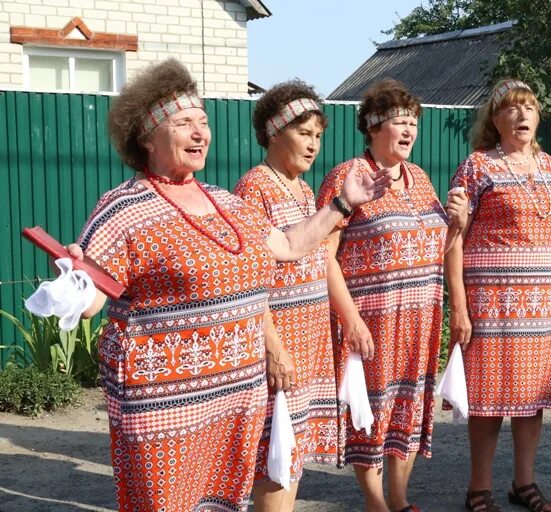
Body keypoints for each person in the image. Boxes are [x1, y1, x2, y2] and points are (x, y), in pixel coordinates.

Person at [66, 59, 390, 512]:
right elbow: (90, 299)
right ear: (146, 136)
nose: (200, 132)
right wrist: (74, 278)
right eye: (183, 123)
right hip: (165, 408)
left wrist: (340, 203)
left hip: (233, 399)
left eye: (203, 121)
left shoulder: (224, 203)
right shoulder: (124, 208)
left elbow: (290, 245)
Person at [316, 78, 467, 512]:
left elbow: (439, 248)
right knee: (371, 411)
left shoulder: (419, 178)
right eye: (400, 122)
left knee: (407, 406)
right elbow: (324, 256)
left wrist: (457, 223)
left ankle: (399, 500)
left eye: (414, 123)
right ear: (373, 126)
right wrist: (351, 320)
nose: (409, 131)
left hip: (420, 319)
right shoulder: (348, 177)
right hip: (372, 321)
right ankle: (376, 502)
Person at [233, 80, 374, 511]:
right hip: (281, 344)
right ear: (274, 132)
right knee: (275, 454)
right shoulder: (254, 189)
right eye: (303, 133)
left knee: (292, 455)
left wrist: (346, 320)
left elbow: (317, 257)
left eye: (318, 135)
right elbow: (249, 280)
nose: (313, 145)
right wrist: (272, 346)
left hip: (309, 339)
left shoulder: (302, 190)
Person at [444, 79, 551, 512]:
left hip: (539, 305)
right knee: (487, 400)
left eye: (529, 108)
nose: (522, 115)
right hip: (489, 304)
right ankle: (478, 488)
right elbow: (454, 237)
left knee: (531, 398)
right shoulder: (477, 166)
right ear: (495, 119)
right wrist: (459, 307)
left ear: (538, 117)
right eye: (511, 109)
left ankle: (525, 484)